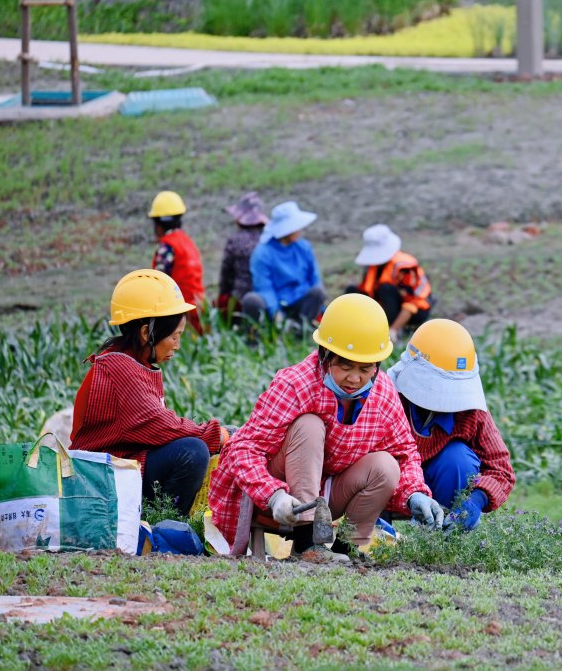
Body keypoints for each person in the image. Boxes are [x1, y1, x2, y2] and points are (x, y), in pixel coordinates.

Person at [208, 293, 445, 556]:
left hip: (330, 494)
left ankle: (347, 548)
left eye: (365, 369)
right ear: (324, 355)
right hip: (280, 497)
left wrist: (414, 493)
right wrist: (273, 495)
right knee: (309, 425)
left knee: (386, 466)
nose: (355, 378)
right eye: (345, 365)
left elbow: (405, 453)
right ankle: (307, 543)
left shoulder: (383, 392)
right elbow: (242, 449)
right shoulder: (295, 384)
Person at [70, 269, 226, 516]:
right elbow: (159, 424)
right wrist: (214, 435)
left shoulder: (130, 361)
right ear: (146, 333)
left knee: (200, 444)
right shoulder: (119, 367)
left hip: (123, 464)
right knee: (193, 452)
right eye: (174, 336)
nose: (177, 345)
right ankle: (162, 524)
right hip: (99, 480)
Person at [387, 319, 515, 531]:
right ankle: (374, 531)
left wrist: (477, 500)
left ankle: (443, 533)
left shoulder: (470, 410)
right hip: (393, 486)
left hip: (440, 481)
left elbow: (501, 468)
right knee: (382, 463)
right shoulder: (388, 396)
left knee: (458, 459)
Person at [241, 201, 325, 331]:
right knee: (252, 300)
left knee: (318, 292)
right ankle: (261, 336)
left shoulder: (303, 247)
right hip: (274, 304)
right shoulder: (263, 253)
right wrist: (276, 314)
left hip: (300, 302)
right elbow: (264, 287)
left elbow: (315, 279)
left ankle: (301, 330)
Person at [348, 224, 432, 342]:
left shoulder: (404, 267)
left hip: (415, 311)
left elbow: (410, 304)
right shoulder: (372, 267)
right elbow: (367, 291)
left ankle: (396, 331)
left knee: (386, 289)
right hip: (387, 306)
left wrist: (393, 329)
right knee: (351, 292)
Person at [149, 190, 206, 332]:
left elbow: (160, 282)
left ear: (158, 225)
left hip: (179, 313)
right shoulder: (188, 242)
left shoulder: (167, 247)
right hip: (199, 310)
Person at [216, 192, 269, 318]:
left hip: (240, 300)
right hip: (268, 298)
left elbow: (226, 275)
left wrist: (222, 297)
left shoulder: (235, 241)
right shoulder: (268, 240)